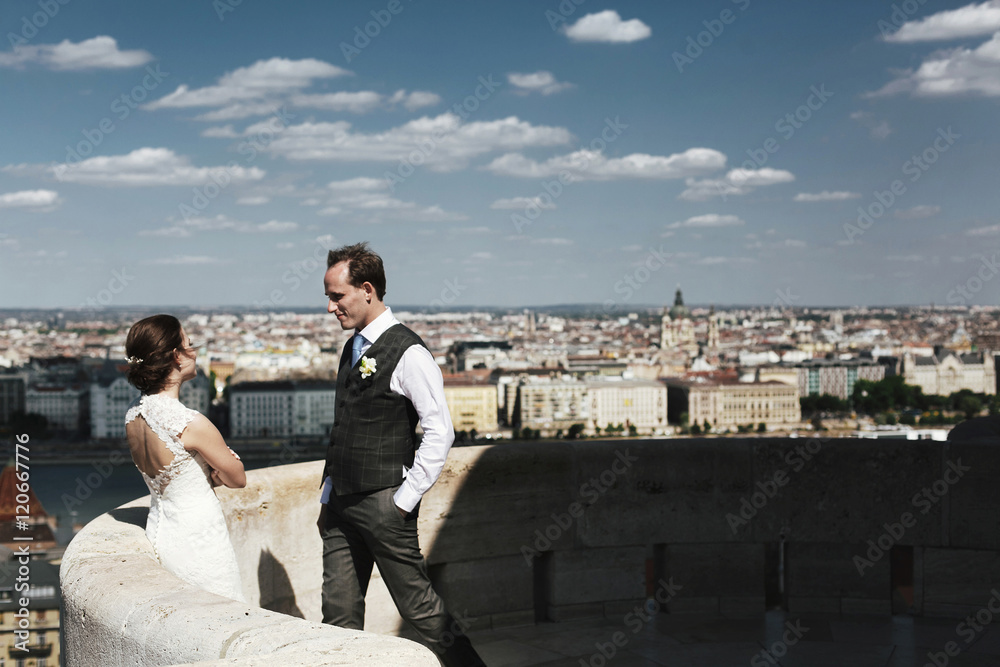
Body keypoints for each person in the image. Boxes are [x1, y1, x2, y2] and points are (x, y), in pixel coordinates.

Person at [319, 242, 485, 666]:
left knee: (421, 612)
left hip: (382, 502)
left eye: (337, 296)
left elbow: (439, 431)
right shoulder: (352, 346)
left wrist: (403, 500)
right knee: (337, 616)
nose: (330, 308)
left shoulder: (409, 352)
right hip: (340, 504)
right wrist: (328, 493)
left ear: (368, 290)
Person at [123, 314, 247, 602]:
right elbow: (237, 479)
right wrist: (217, 470)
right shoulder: (189, 422)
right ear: (176, 357)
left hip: (159, 531)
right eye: (190, 344)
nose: (195, 351)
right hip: (200, 536)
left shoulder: (133, 416)